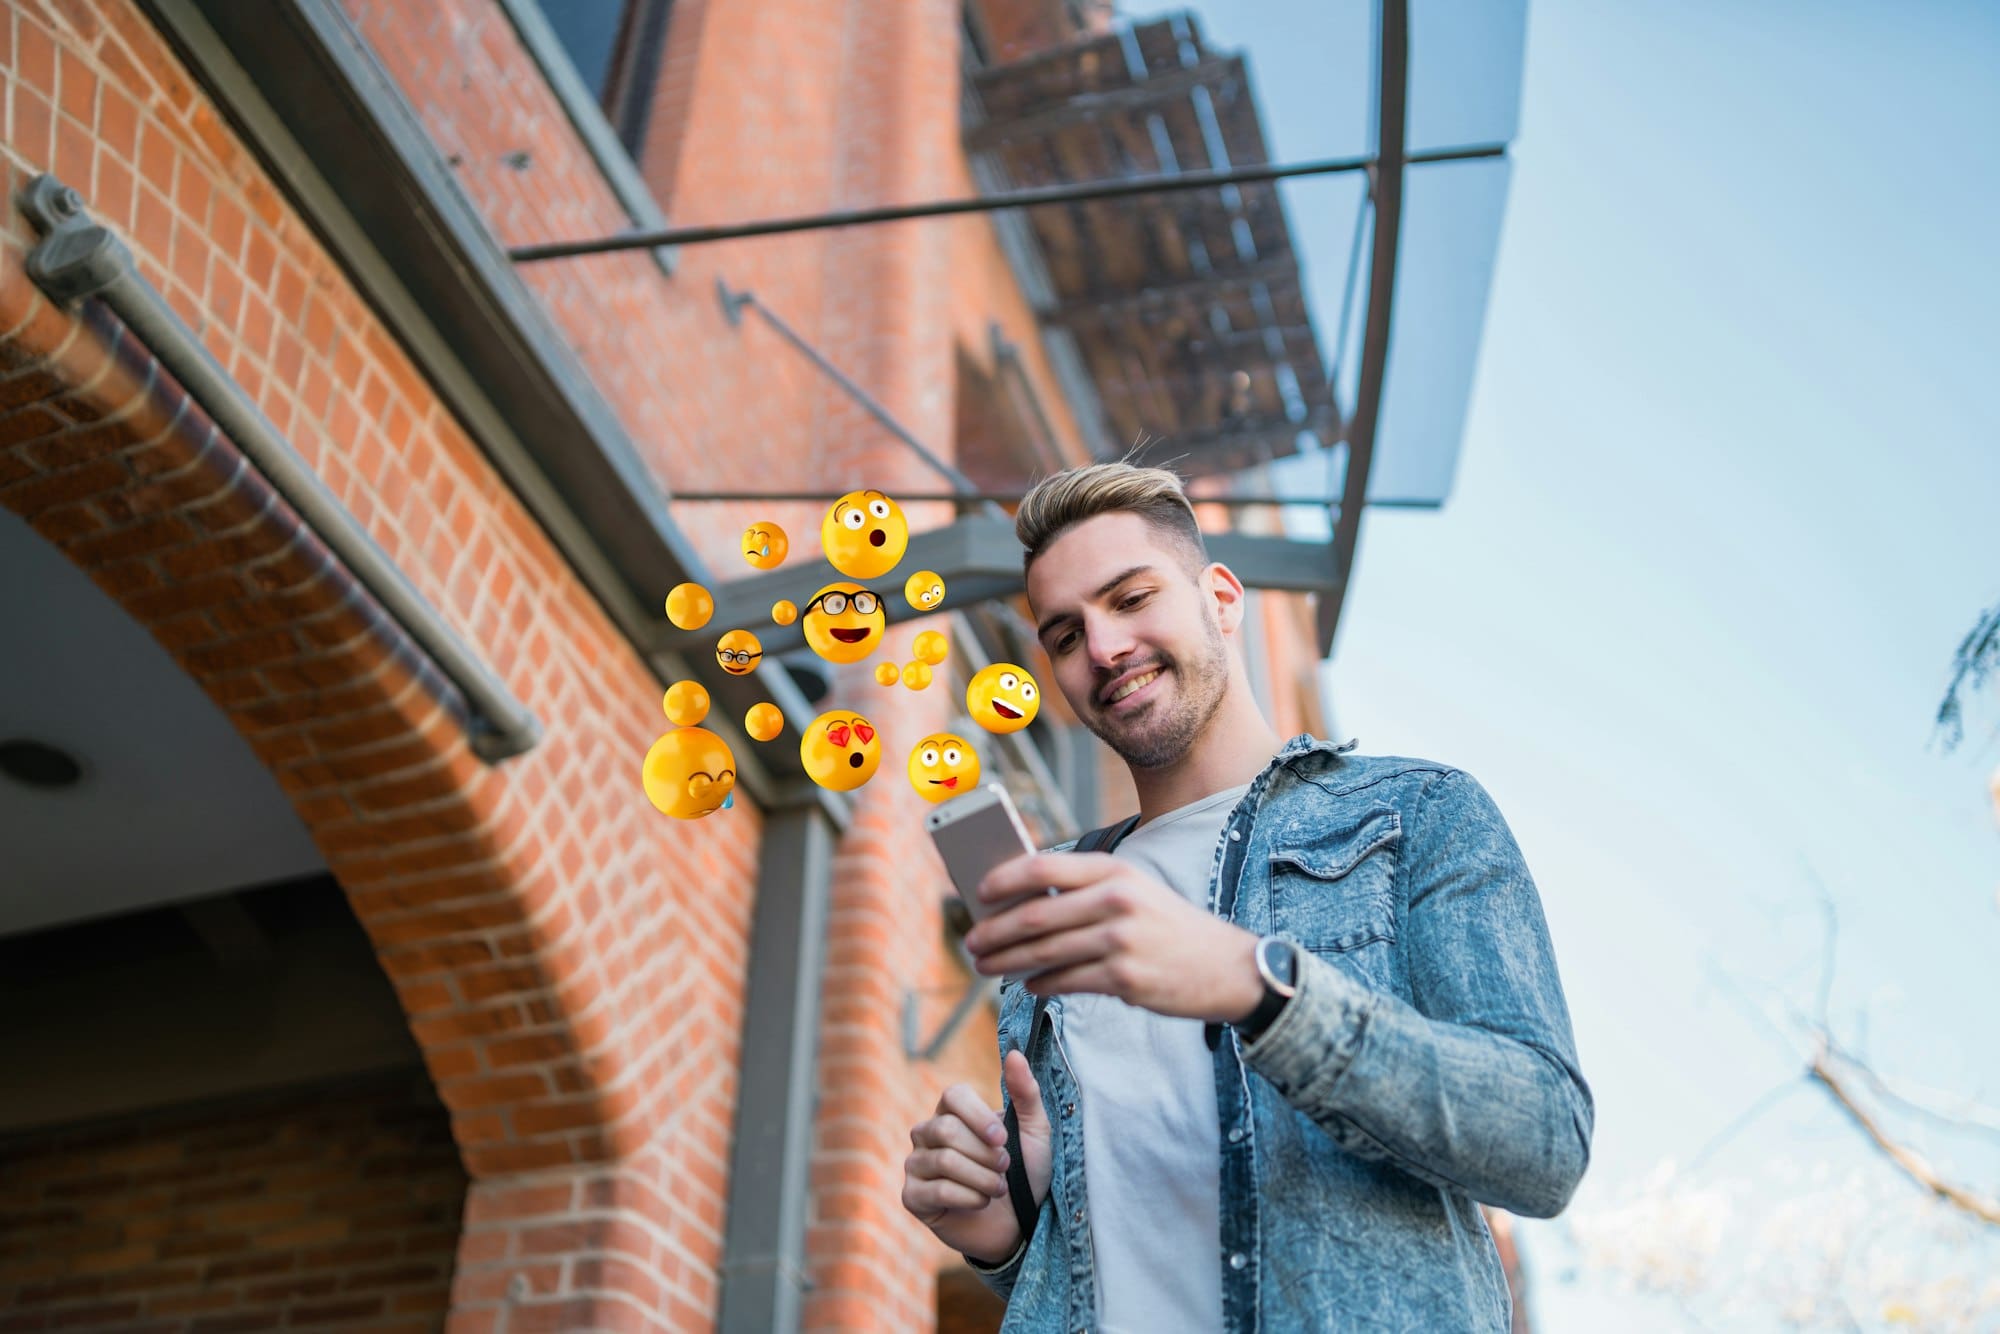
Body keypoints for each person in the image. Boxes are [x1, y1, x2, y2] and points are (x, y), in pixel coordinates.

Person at [898, 462, 1593, 1332]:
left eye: (1131, 597)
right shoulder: (1065, 896)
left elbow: (1543, 1141)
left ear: (1220, 600)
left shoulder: (1416, 813)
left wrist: (1261, 987)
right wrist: (1006, 1233)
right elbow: (1117, 1254)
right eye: (1066, 635)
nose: (1104, 648)